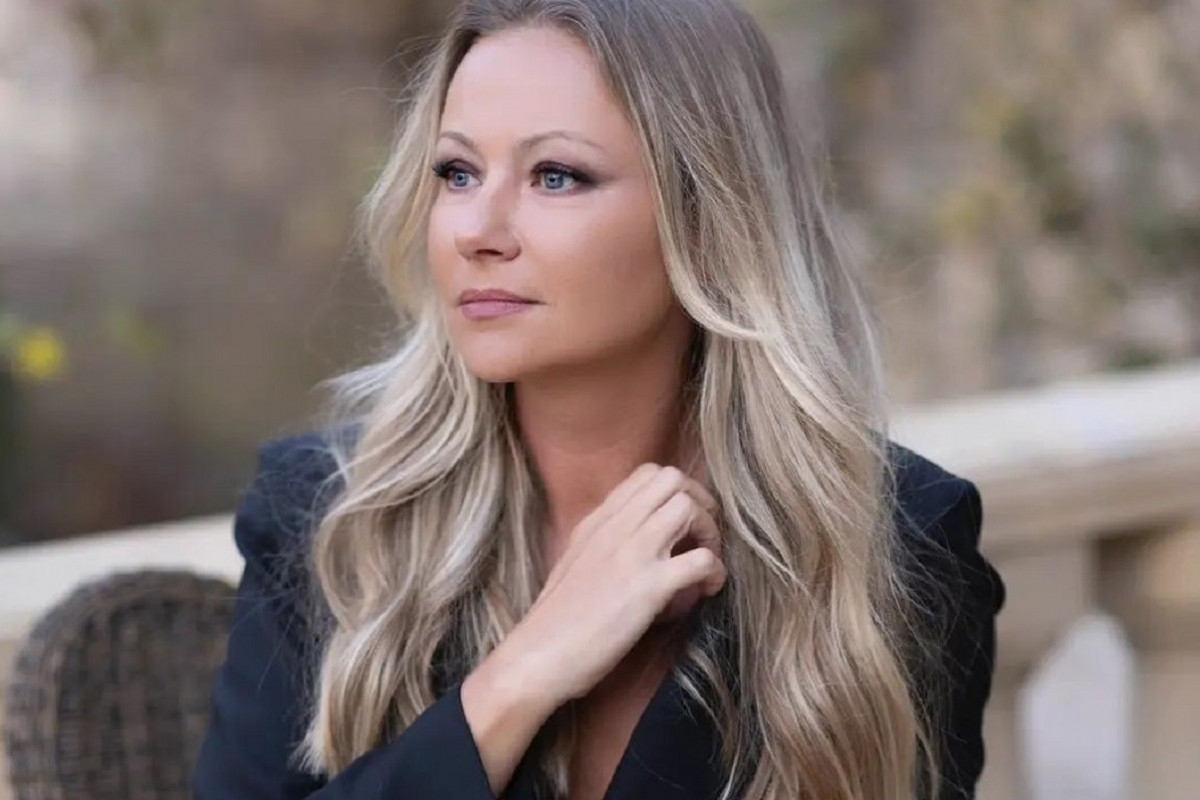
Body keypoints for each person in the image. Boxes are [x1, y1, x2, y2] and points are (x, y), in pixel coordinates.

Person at [191, 1, 1005, 799]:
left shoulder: (894, 543)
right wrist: (522, 675)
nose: (477, 229)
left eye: (556, 176)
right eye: (457, 173)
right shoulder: (330, 518)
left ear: (706, 214)